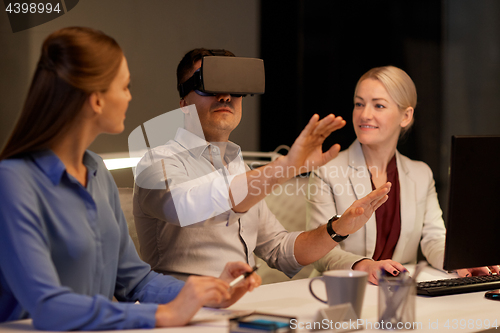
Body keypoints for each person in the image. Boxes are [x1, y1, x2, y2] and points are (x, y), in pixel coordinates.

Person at [0, 28, 260, 330]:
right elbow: (49, 307)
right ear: (96, 100)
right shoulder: (12, 181)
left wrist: (207, 293)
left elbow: (135, 281)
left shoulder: (96, 171)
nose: (130, 97)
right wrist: (161, 316)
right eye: (125, 86)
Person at [133, 48, 392, 280]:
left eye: (235, 86)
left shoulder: (239, 168)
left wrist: (337, 228)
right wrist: (285, 168)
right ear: (183, 103)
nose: (225, 96)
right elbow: (189, 205)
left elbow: (278, 248)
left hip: (243, 306)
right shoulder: (157, 162)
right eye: (209, 85)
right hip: (183, 312)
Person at [306, 65, 500, 284]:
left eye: (378, 105)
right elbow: (320, 252)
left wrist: (459, 261)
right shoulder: (327, 170)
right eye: (359, 104)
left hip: (399, 291)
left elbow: (434, 239)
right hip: (340, 291)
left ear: (406, 116)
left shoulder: (420, 173)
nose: (364, 114)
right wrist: (364, 265)